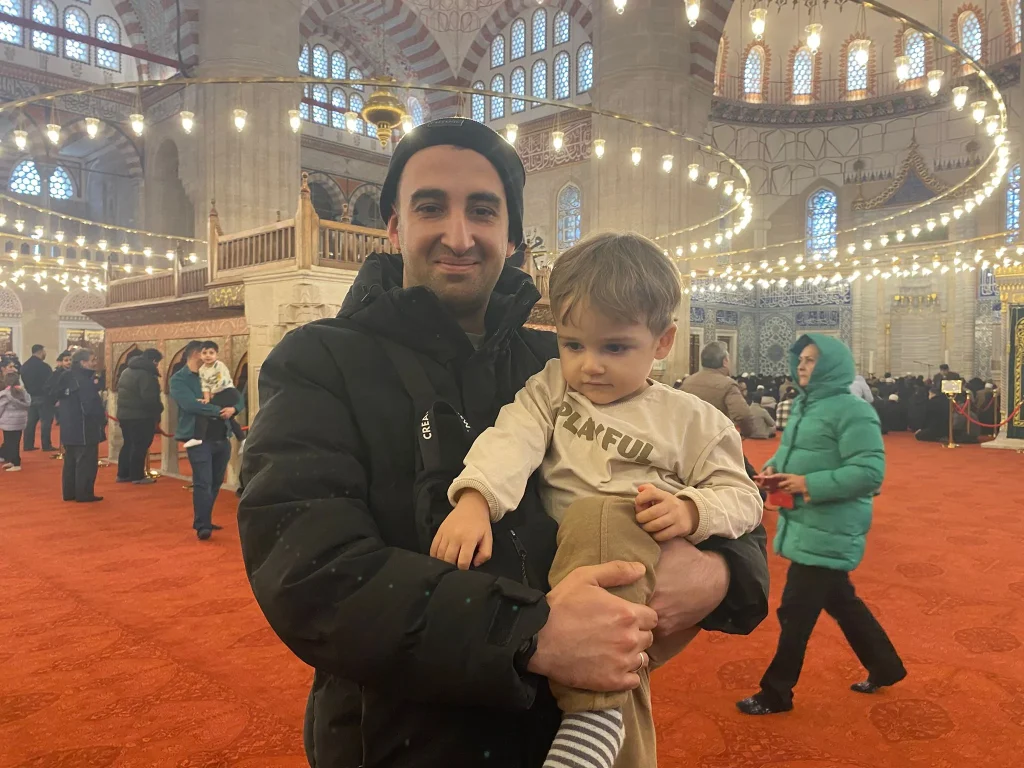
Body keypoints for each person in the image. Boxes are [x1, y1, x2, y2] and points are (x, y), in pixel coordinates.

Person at [238, 118, 770, 768]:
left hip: (564, 739)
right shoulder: (320, 363)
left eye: (483, 211)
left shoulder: (566, 363)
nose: (459, 235)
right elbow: (310, 574)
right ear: (394, 228)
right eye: (430, 207)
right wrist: (529, 634)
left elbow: (736, 496)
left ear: (513, 238)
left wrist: (718, 574)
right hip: (403, 744)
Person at [434, 232, 763, 768]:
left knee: (605, 513)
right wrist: (476, 499)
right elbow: (513, 437)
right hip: (569, 580)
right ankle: (598, 725)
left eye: (614, 348)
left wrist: (690, 511)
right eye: (573, 345)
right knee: (624, 693)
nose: (589, 365)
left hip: (648, 577)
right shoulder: (553, 388)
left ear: (662, 341)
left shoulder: (695, 421)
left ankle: (592, 716)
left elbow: (744, 498)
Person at [737, 334, 905, 716]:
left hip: (831, 524)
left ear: (831, 365)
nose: (802, 365)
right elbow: (794, 451)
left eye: (811, 360)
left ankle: (775, 693)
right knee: (843, 603)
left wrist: (808, 484)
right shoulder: (804, 406)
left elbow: (869, 472)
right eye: (801, 359)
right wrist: (775, 470)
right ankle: (885, 666)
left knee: (795, 612)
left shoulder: (853, 411)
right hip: (806, 521)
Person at [170, 340, 244, 540]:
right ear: (196, 354)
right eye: (205, 353)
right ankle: (203, 525)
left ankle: (205, 518)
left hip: (221, 436)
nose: (208, 356)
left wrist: (234, 409)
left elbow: (237, 398)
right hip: (199, 439)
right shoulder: (179, 379)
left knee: (216, 481)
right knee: (203, 481)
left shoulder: (217, 371)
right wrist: (219, 410)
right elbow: (190, 405)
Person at [53, 349, 106, 502]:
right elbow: (89, 407)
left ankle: (69, 492)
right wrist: (101, 418)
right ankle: (84, 493)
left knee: (70, 462)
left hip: (68, 426)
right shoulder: (83, 380)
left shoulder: (66, 376)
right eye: (92, 360)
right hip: (84, 428)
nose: (95, 363)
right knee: (86, 462)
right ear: (83, 363)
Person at [680, 341, 755, 436]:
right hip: (715, 438)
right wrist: (746, 433)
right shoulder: (728, 385)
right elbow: (743, 415)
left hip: (690, 437)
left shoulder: (688, 381)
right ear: (725, 361)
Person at [115, 347, 164, 484]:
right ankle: (137, 476)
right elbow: (149, 398)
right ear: (153, 361)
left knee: (128, 444)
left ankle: (123, 474)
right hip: (141, 416)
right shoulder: (146, 374)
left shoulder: (127, 370)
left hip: (125, 415)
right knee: (140, 446)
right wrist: (159, 409)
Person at [183, 340, 244, 448]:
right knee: (226, 415)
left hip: (228, 392)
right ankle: (242, 439)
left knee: (204, 410)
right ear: (200, 355)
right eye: (204, 353)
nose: (208, 355)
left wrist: (213, 394)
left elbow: (223, 381)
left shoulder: (219, 366)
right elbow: (205, 385)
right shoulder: (202, 370)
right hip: (216, 394)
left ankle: (198, 438)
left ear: (216, 355)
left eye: (211, 353)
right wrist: (207, 399)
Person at [21, 344, 54, 452]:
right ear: (40, 352)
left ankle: (28, 444)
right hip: (44, 397)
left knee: (30, 422)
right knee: (46, 422)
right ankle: (46, 445)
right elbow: (50, 383)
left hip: (31, 397)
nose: (45, 353)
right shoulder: (44, 367)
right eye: (44, 351)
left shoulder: (25, 366)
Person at [0, 371, 30, 471]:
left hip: (8, 422)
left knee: (9, 443)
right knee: (15, 442)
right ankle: (13, 461)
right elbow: (28, 403)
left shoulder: (4, 394)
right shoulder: (23, 392)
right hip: (20, 422)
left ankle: (16, 463)